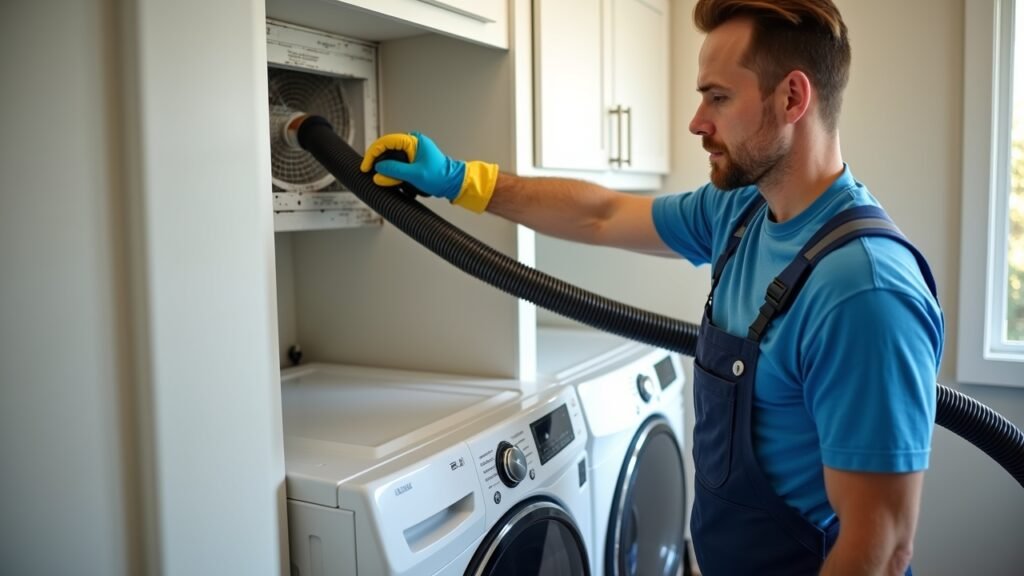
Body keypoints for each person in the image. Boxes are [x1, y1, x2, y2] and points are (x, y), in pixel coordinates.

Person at [359, 0, 944, 574]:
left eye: (718, 96)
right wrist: (464, 180)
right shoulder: (740, 213)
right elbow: (603, 214)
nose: (697, 121)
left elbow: (881, 549)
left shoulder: (864, 292)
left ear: (792, 97)